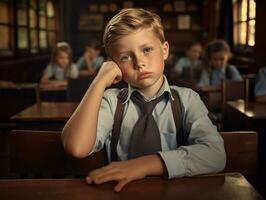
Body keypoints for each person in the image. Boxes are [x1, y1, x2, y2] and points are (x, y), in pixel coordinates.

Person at [62, 8, 225, 192]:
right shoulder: (111, 102)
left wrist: (144, 165)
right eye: (125, 57)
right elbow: (76, 147)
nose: (139, 62)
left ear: (165, 50)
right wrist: (98, 82)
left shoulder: (187, 99)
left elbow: (216, 154)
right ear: (114, 64)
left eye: (147, 50)